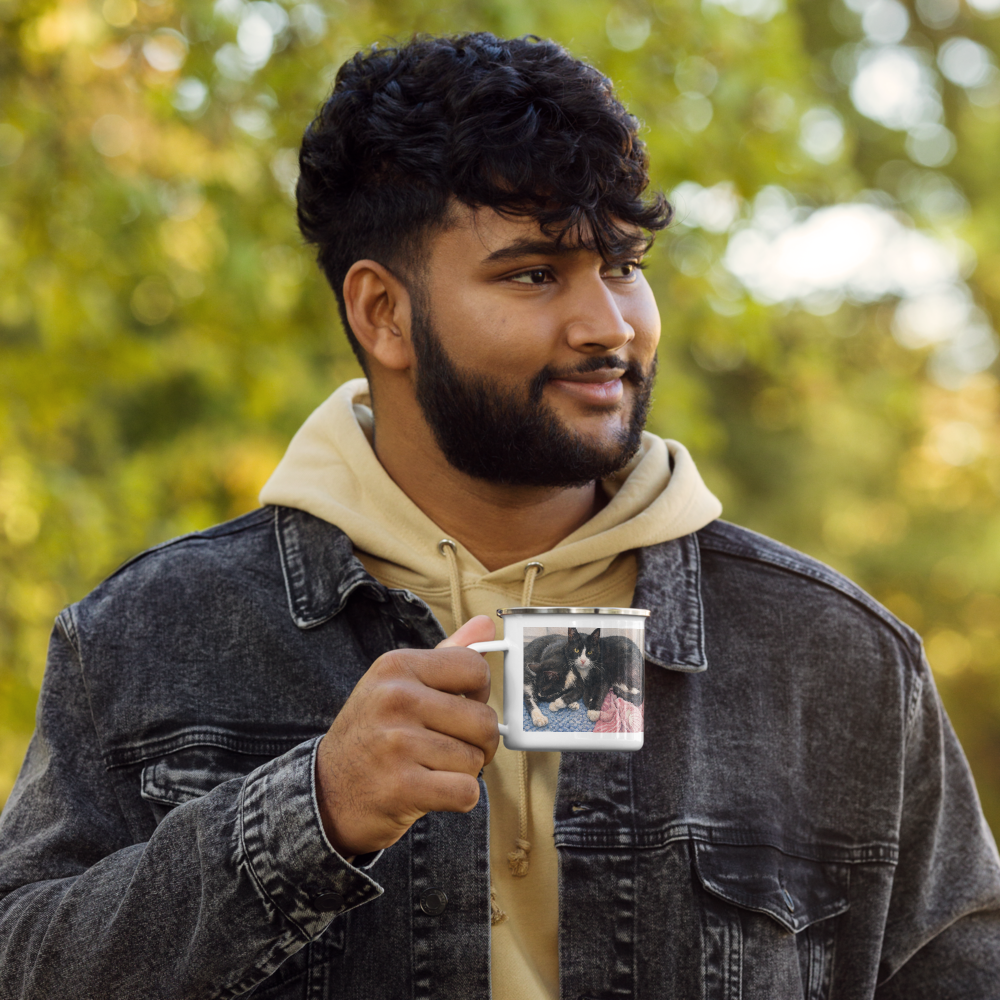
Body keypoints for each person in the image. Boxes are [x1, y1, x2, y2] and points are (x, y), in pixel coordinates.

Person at [1, 31, 998, 1000]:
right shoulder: (144, 636)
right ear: (381, 313)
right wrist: (307, 814)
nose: (608, 324)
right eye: (534, 271)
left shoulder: (837, 658)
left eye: (622, 262)